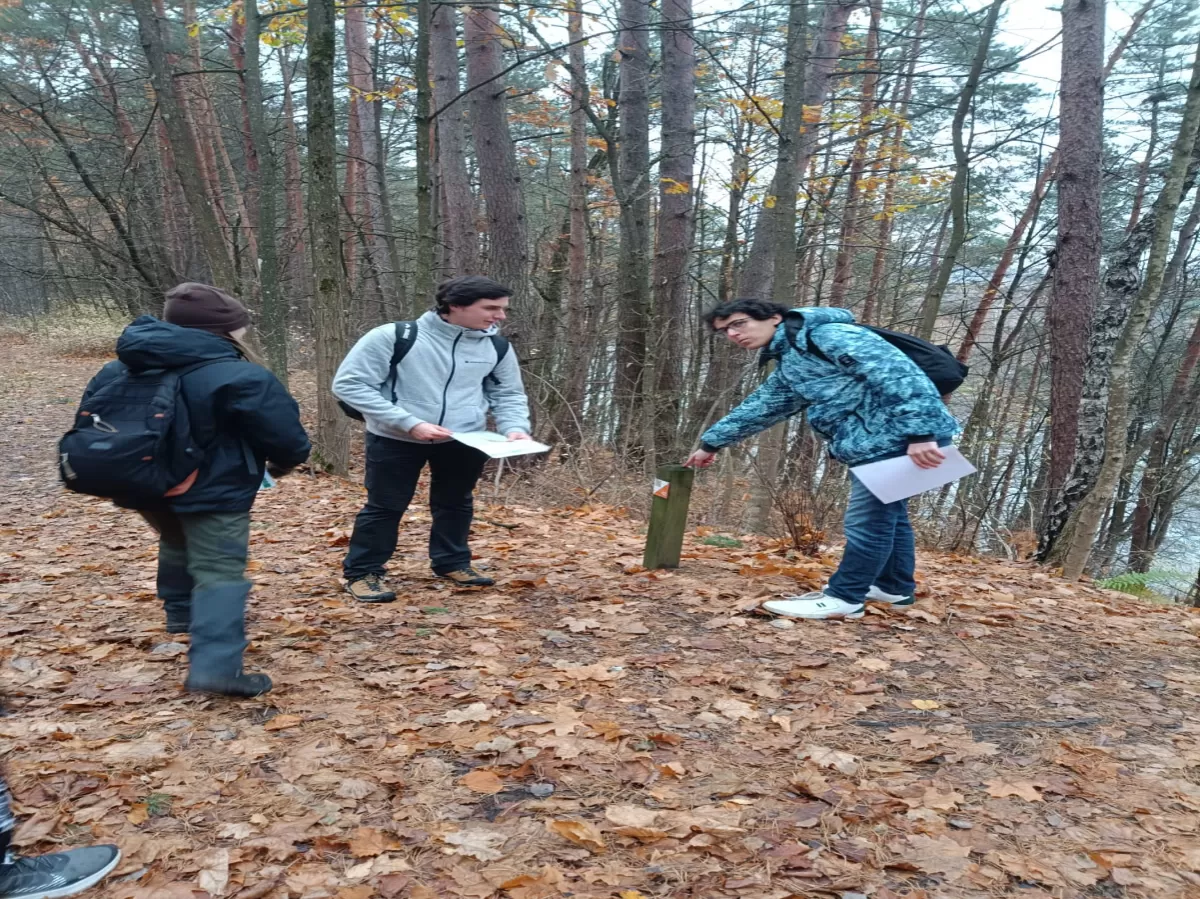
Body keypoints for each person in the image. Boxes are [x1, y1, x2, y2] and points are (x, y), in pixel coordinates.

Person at [74, 284, 311, 696]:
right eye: (239, 325)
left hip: (141, 482)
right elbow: (286, 437)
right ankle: (217, 668)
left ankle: (181, 613)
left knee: (175, 537)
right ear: (224, 330)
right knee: (219, 571)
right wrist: (283, 465)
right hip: (213, 488)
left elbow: (93, 418)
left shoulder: (118, 367)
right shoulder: (239, 374)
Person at [684, 300, 959, 620]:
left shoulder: (828, 335)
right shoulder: (793, 359)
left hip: (900, 437)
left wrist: (920, 433)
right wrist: (711, 444)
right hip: (881, 439)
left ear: (774, 317)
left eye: (739, 323)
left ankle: (845, 598)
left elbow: (897, 373)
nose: (733, 334)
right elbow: (763, 406)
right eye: (725, 331)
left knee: (868, 521)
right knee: (890, 518)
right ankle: (893, 588)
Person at [333, 276, 532, 602]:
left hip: (465, 437)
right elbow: (350, 385)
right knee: (385, 506)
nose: (500, 316)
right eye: (491, 308)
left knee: (456, 503)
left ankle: (452, 563)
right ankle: (363, 572)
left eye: (503, 308)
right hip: (395, 437)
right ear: (456, 306)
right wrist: (409, 423)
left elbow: (507, 393)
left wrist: (515, 427)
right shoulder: (394, 336)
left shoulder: (496, 347)